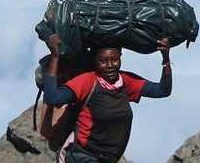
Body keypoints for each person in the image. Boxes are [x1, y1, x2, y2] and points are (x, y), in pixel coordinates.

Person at [42, 34, 173, 163]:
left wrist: (165, 59)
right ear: (95, 62)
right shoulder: (87, 82)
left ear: (120, 58)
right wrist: (55, 57)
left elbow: (162, 90)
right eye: (103, 61)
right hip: (80, 156)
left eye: (114, 60)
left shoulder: (126, 81)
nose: (110, 65)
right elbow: (52, 97)